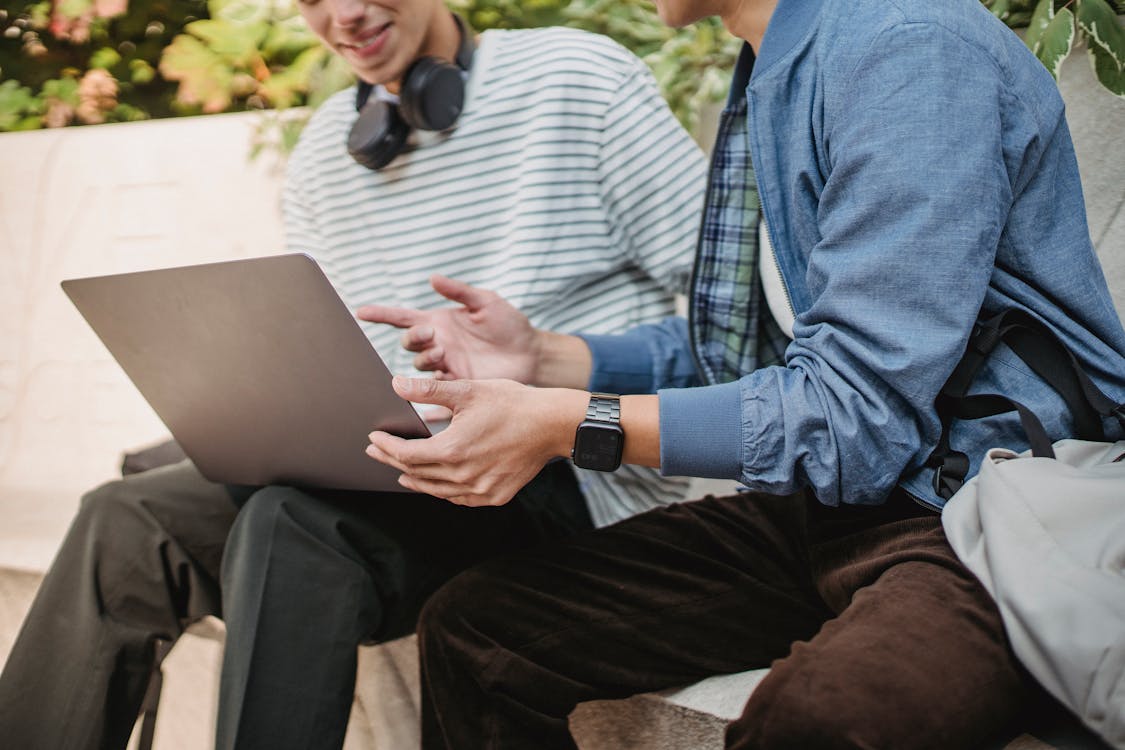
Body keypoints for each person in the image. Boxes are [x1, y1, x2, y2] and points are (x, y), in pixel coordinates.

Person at [354, 0, 1125, 747]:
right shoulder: (778, 59)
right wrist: (544, 360)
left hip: (988, 506)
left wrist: (572, 424)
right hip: (839, 502)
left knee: (824, 719)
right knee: (479, 627)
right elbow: (760, 347)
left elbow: (851, 414)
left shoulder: (905, 47)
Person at [0, 1, 707, 748]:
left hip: (564, 472)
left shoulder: (576, 77)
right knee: (125, 514)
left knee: (292, 523)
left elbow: (735, 328)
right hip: (394, 471)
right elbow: (332, 360)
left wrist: (547, 354)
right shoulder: (321, 158)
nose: (343, 13)